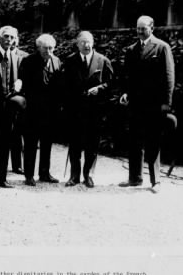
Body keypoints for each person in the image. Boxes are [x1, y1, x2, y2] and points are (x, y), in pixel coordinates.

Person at [119, 15, 175, 193]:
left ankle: (155, 181)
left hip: (154, 105)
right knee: (134, 141)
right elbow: (127, 76)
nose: (140, 32)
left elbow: (169, 77)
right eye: (138, 28)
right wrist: (125, 93)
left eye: (143, 28)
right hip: (135, 104)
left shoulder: (162, 47)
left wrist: (167, 103)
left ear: (152, 28)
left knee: (153, 142)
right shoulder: (131, 50)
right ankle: (135, 178)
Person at [63, 31, 114, 188]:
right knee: (75, 143)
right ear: (77, 44)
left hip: (94, 110)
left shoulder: (103, 61)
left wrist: (99, 88)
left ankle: (88, 174)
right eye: (83, 42)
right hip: (75, 109)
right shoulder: (70, 61)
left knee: (92, 144)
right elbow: (64, 85)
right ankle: (74, 175)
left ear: (93, 43)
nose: (86, 45)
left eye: (89, 41)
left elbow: (111, 84)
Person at [19, 34, 62, 186]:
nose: (49, 51)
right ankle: (29, 175)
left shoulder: (57, 61)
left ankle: (44, 173)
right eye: (45, 48)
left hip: (50, 112)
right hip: (32, 111)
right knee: (31, 144)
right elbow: (22, 86)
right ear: (38, 48)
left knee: (47, 143)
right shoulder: (28, 61)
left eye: (51, 48)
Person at [0, 26, 24, 190]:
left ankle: (1, 178)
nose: (9, 40)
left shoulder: (15, 57)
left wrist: (19, 83)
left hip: (9, 107)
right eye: (6, 36)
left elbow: (17, 78)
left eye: (12, 37)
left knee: (5, 143)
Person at [9, 35, 29, 175]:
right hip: (7, 98)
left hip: (22, 99)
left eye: (15, 37)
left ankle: (20, 165)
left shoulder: (25, 57)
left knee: (20, 132)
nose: (13, 41)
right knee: (9, 133)